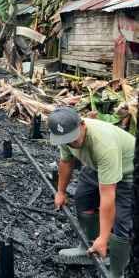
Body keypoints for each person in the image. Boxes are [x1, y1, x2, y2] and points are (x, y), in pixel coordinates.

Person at [49, 107, 134, 277]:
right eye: (67, 140)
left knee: (121, 223)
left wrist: (103, 237)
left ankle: (117, 272)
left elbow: (107, 197)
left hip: (128, 173)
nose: (72, 143)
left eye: (73, 138)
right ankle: (88, 246)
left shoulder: (104, 144)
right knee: (83, 201)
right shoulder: (65, 138)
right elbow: (66, 162)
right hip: (95, 166)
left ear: (82, 125)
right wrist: (61, 192)